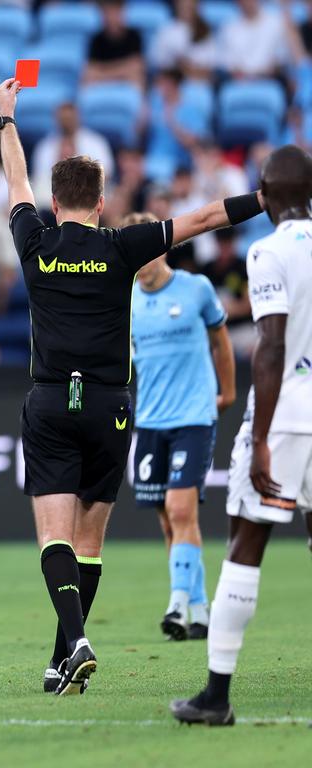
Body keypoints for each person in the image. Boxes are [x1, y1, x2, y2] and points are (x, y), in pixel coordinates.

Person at [0, 77, 267, 697]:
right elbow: (206, 216)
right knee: (90, 540)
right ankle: (64, 654)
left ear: (54, 199)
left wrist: (6, 116)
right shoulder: (123, 245)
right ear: (103, 198)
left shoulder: (32, 241)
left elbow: (14, 182)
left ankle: (75, 642)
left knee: (55, 537)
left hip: (50, 400)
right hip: (113, 407)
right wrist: (267, 195)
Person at [171, 145, 312, 726]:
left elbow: (272, 346)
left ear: (266, 196)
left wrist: (259, 438)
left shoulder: (267, 251)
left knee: (245, 544)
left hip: (286, 415)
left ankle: (216, 696)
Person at [127, 211, 236, 642]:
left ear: (163, 248)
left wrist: (226, 393)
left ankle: (175, 604)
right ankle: (201, 609)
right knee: (170, 521)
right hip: (150, 419)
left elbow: (221, 341)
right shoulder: (125, 300)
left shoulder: (196, 289)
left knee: (179, 509)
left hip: (193, 416)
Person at [84, 0, 145, 89]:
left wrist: (103, 72)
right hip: (102, 87)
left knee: (137, 77)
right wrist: (123, 71)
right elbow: (90, 73)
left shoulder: (134, 36)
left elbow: (137, 67)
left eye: (115, 12)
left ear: (122, 12)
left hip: (126, 86)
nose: (111, 17)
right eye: (108, 12)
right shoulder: (96, 39)